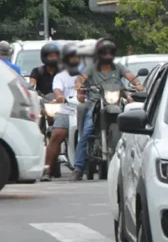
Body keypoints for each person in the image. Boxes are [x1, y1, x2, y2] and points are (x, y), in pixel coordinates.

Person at [71, 38, 144, 181]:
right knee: (86, 133)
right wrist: (79, 85)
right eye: (104, 52)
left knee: (129, 129)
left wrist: (138, 84)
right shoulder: (91, 68)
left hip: (116, 103)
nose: (107, 55)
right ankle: (78, 168)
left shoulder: (119, 68)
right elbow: (80, 79)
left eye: (110, 53)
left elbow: (132, 78)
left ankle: (128, 164)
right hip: (96, 103)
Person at [41, 44, 80, 182]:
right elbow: (57, 89)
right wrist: (59, 96)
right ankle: (47, 169)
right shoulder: (60, 77)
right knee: (57, 135)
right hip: (66, 111)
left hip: (83, 110)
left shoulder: (86, 74)